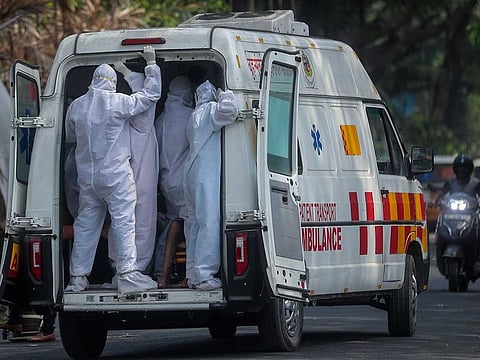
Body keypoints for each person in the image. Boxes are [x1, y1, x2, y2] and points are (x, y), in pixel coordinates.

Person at [64, 46, 160, 295]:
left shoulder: (76, 106)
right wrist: (151, 66)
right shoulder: (117, 102)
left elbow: (71, 136)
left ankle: (77, 278)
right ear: (113, 82)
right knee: (123, 221)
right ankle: (127, 273)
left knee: (85, 225)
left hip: (88, 179)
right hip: (115, 176)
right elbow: (149, 97)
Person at [183, 80, 239, 290]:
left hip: (191, 173)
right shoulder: (209, 111)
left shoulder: (194, 115)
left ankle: (193, 273)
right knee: (208, 221)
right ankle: (204, 274)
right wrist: (225, 94)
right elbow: (230, 111)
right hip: (205, 175)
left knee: (194, 225)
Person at [107, 62, 160, 275]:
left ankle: (120, 267)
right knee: (142, 223)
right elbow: (149, 94)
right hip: (141, 181)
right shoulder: (142, 121)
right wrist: (152, 66)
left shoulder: (121, 121)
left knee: (120, 222)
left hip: (122, 180)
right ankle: (135, 270)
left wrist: (128, 73)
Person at [153, 76, 194, 288]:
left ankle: (163, 273)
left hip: (166, 182)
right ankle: (190, 274)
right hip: (186, 184)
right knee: (191, 228)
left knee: (172, 225)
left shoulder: (160, 120)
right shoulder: (191, 116)